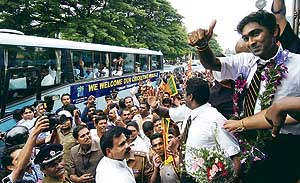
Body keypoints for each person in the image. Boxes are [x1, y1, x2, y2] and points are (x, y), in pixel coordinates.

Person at [189, 10, 300, 183]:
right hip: (248, 144)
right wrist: (203, 46)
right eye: (246, 37)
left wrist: (280, 108)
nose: (251, 42)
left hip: (283, 146)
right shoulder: (246, 61)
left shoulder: (297, 65)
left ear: (275, 31)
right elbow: (213, 63)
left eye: (256, 34)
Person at [148, 78, 241, 182]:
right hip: (186, 175)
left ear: (190, 97)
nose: (182, 95)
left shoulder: (216, 120)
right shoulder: (188, 110)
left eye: (184, 92)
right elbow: (167, 113)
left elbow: (235, 157)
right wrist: (155, 107)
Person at [1, 117, 48, 183]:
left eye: (24, 154)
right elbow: (20, 169)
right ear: (10, 167)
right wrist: (35, 133)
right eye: (19, 158)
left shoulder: (36, 165)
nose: (25, 157)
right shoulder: (10, 180)